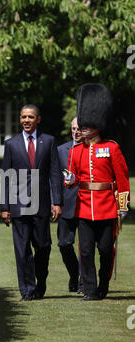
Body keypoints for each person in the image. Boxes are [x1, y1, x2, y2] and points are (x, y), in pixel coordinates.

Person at [64, 83, 130, 301]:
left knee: (104, 250)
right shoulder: (76, 151)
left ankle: (103, 284)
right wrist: (70, 180)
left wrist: (122, 206)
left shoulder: (111, 148)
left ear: (97, 124)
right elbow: (73, 181)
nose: (81, 128)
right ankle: (90, 290)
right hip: (84, 208)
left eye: (85, 125)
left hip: (107, 207)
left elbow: (121, 179)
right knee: (85, 252)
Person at [1, 105, 62, 301]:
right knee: (22, 249)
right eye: (23, 117)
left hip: (42, 204)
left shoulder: (49, 141)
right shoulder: (11, 144)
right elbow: (6, 177)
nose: (26, 120)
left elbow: (54, 173)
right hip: (18, 205)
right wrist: (5, 207)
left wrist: (57, 202)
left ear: (38, 119)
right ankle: (27, 290)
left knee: (43, 246)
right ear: (20, 119)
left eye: (30, 117)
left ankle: (40, 281)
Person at [57, 117, 83, 292]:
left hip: (87, 204)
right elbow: (55, 178)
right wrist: (55, 202)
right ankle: (75, 274)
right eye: (73, 128)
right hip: (66, 204)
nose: (76, 132)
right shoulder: (60, 150)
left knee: (86, 247)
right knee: (64, 244)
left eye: (79, 129)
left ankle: (83, 283)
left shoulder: (92, 148)